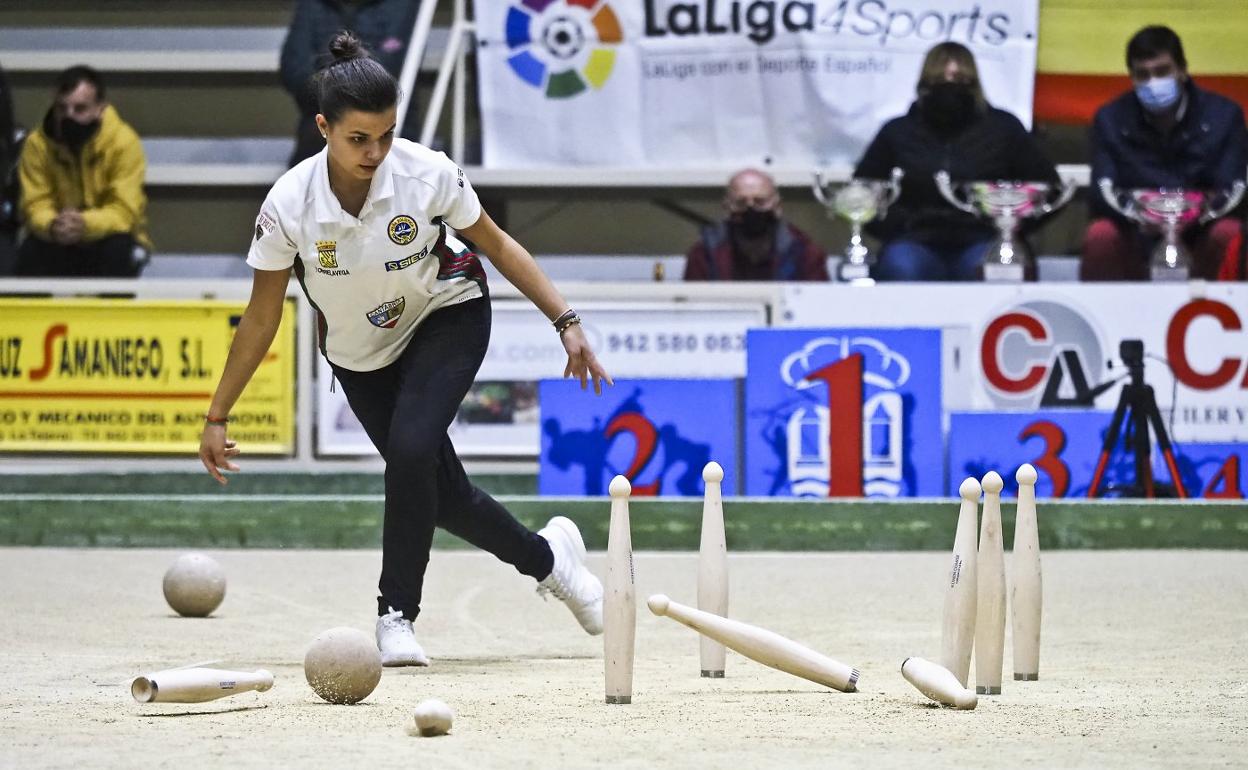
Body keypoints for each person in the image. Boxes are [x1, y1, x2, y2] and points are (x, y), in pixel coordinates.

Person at [200, 33, 612, 665]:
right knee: (439, 492)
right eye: (358, 138)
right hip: (360, 355)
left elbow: (499, 246)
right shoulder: (289, 204)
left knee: (413, 452)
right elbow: (260, 319)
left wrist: (566, 319)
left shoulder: (428, 173)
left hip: (447, 312)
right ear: (323, 128)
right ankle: (554, 563)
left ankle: (396, 616)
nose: (375, 152)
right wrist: (217, 415)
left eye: (386, 135)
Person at [854, 42, 1059, 281]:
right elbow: (862, 192)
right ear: (925, 82)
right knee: (901, 266)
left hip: (983, 239)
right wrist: (896, 227)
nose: (950, 86)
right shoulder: (898, 132)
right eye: (940, 78)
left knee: (988, 269)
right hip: (915, 240)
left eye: (960, 78)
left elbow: (1049, 186)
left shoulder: (1003, 129)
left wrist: (1012, 226)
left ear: (974, 82)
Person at [1082, 25, 1247, 281]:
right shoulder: (1111, 119)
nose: (1152, 82)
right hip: (1138, 234)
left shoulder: (1225, 116)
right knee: (1101, 236)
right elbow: (1100, 195)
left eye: (1161, 72)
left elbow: (1233, 188)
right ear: (1131, 77)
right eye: (1142, 75)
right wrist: (1142, 217)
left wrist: (1192, 217)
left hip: (1201, 233)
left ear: (1182, 70)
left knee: (1229, 232)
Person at [15, 65, 149, 278]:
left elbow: (125, 212)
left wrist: (85, 225)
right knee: (29, 252)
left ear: (100, 108)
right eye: (62, 108)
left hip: (106, 236)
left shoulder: (124, 142)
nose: (69, 117)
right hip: (56, 236)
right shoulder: (37, 144)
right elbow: (34, 204)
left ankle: (112, 313)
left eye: (80, 109)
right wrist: (52, 225)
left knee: (119, 250)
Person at [280, 0, 422, 167]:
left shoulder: (401, 4)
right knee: (317, 147)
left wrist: (332, 82)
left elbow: (391, 65)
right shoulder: (312, 4)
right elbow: (293, 69)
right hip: (325, 122)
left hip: (386, 122)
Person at [683, 169, 828, 281]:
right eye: (741, 203)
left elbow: (818, 308)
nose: (750, 209)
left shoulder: (804, 253)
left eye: (760, 202)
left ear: (777, 206)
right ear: (726, 207)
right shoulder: (705, 254)